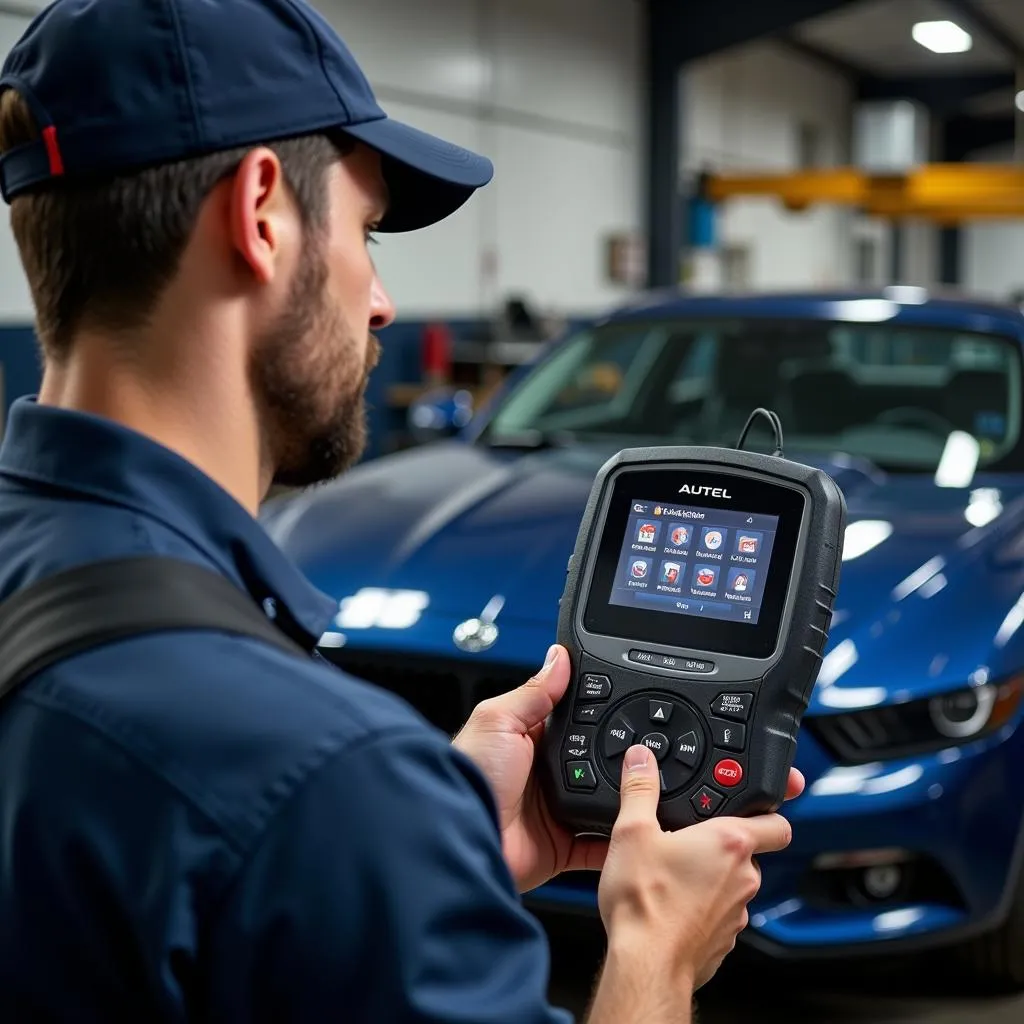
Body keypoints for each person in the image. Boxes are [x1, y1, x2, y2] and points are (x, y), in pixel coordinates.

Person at [0, 1, 802, 1021]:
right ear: (260, 214)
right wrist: (654, 950)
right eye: (366, 232)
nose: (379, 299)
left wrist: (435, 832)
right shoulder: (319, 773)